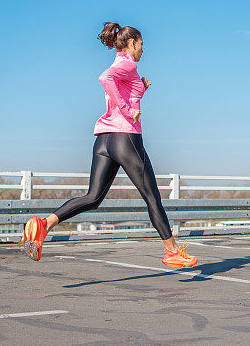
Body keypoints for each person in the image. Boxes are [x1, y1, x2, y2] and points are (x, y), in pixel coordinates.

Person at [22, 22, 197, 268]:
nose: (143, 50)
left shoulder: (122, 66)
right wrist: (128, 111)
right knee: (152, 197)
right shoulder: (127, 64)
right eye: (142, 45)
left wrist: (141, 90)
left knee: (93, 197)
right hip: (125, 138)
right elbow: (105, 79)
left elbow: (122, 93)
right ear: (133, 42)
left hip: (104, 139)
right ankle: (173, 251)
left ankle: (44, 224)